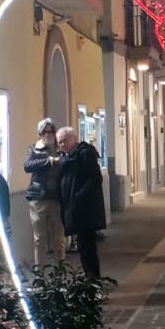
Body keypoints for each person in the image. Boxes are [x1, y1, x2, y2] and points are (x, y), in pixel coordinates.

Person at [55, 127, 106, 280]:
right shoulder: (67, 157)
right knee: (83, 246)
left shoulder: (84, 154)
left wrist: (79, 196)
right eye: (60, 143)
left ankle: (93, 278)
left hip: (85, 209)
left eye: (64, 141)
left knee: (87, 246)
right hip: (75, 208)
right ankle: (90, 277)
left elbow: (94, 178)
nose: (62, 145)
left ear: (73, 139)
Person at [23, 118, 66, 269]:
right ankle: (39, 274)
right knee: (39, 239)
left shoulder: (61, 149)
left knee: (59, 239)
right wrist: (48, 161)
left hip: (57, 199)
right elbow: (27, 165)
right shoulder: (33, 149)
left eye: (50, 131)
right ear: (39, 134)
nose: (48, 134)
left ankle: (60, 274)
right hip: (38, 199)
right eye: (44, 132)